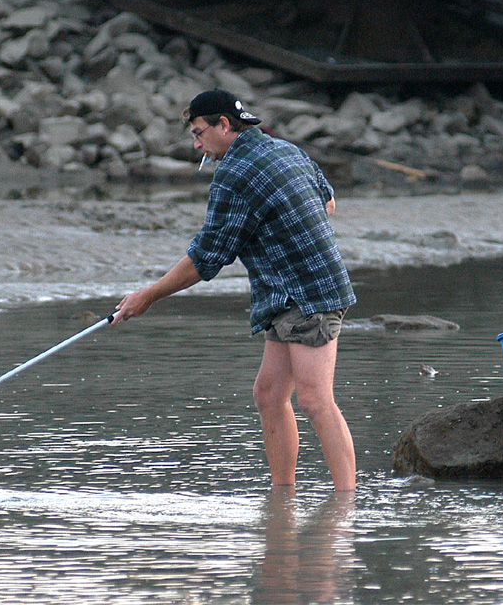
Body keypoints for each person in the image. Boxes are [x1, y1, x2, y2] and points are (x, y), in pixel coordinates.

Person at [112, 89, 358, 492]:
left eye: (199, 133)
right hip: (283, 293)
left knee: (315, 401)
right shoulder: (284, 149)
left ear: (224, 125)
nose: (196, 145)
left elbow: (205, 259)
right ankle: (282, 498)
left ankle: (346, 507)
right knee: (268, 393)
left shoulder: (235, 174)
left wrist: (149, 295)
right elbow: (327, 201)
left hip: (312, 294)